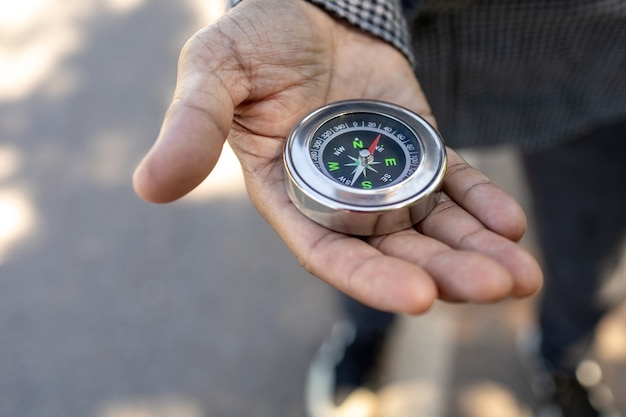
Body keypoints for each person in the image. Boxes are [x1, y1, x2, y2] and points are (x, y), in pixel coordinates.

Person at [132, 0, 625, 416]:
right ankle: (366, 333)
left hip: (590, 65)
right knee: (364, 249)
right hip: (373, 57)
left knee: (587, 248)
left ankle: (564, 353)